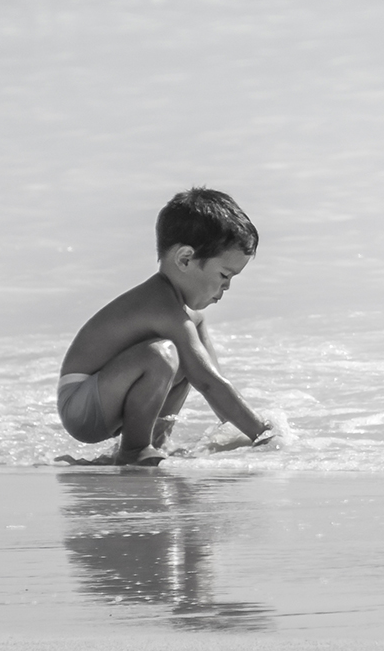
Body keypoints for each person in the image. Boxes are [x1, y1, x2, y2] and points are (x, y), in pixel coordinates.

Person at [57, 187, 274, 465]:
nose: (227, 287)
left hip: (106, 395)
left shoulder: (190, 318)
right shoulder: (160, 304)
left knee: (188, 361)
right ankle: (134, 451)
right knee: (163, 355)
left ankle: (156, 444)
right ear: (185, 259)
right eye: (224, 274)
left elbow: (214, 379)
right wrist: (263, 433)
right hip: (81, 404)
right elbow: (210, 385)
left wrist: (241, 434)